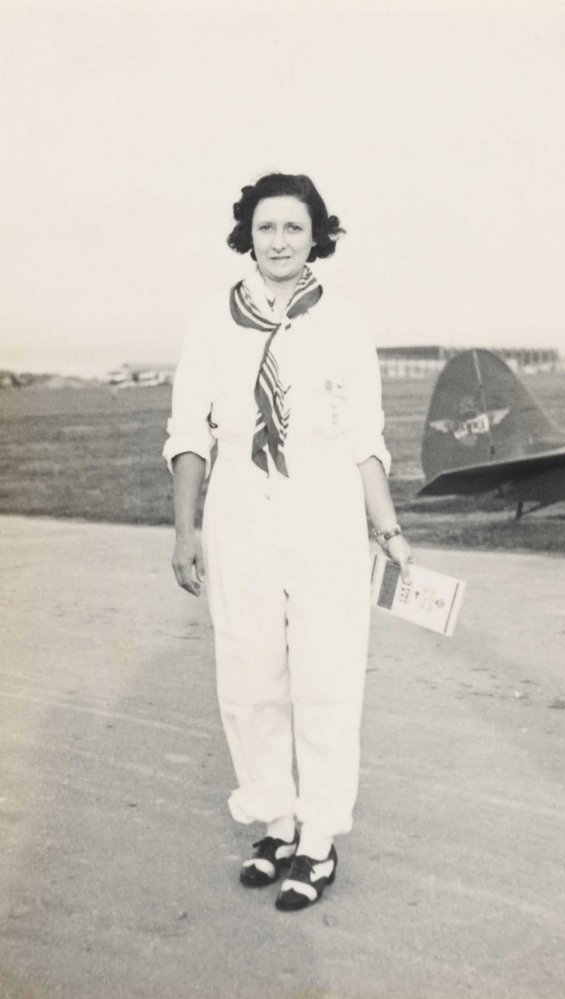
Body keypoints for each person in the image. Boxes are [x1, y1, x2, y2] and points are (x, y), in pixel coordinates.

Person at [163, 172, 412, 911]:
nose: (279, 241)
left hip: (325, 504)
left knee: (326, 676)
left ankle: (319, 839)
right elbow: (189, 432)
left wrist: (387, 528)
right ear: (248, 234)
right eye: (266, 227)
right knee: (248, 674)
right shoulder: (212, 318)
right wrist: (186, 529)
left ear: (315, 237)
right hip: (239, 505)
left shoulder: (343, 319)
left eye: (294, 229)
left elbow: (366, 436)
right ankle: (274, 821)